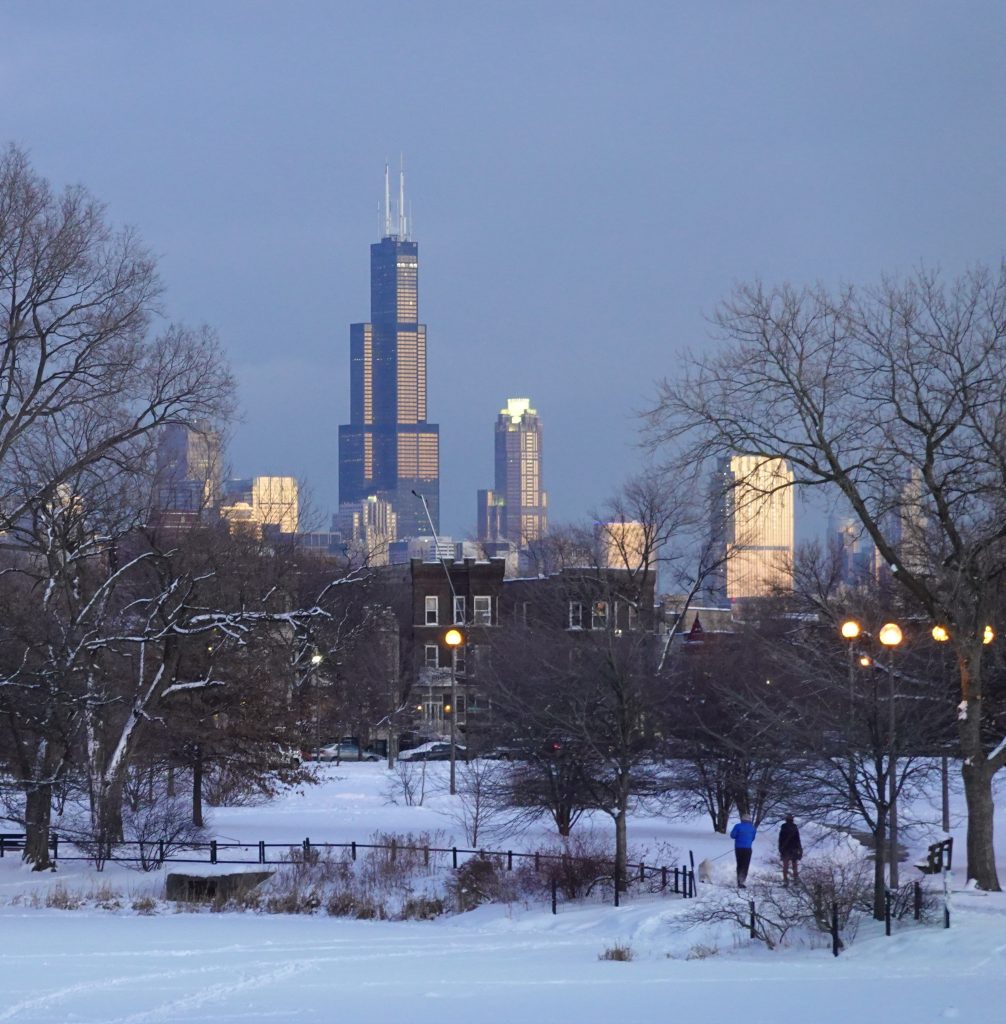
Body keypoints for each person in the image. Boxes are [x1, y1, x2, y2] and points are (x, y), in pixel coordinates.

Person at [729, 814, 757, 889]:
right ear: (749, 820)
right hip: (748, 848)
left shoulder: (738, 826)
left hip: (738, 848)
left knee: (739, 864)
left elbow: (732, 835)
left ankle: (739, 881)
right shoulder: (753, 828)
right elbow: (753, 838)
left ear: (742, 819)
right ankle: (742, 880)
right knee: (745, 865)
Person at [778, 814, 802, 885]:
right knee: (794, 865)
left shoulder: (783, 827)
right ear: (792, 820)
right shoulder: (795, 827)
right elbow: (798, 840)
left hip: (785, 849)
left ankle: (785, 881)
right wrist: (800, 850)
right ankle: (796, 880)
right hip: (794, 849)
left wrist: (780, 848)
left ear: (786, 820)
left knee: (785, 866)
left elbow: (780, 839)